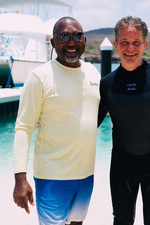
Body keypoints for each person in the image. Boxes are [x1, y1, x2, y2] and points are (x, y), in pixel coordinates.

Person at [12, 17, 101, 225]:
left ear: (85, 40)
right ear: (53, 42)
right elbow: (23, 128)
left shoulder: (92, 72)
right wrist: (20, 179)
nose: (71, 42)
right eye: (63, 36)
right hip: (52, 178)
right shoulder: (40, 77)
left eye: (77, 36)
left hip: (86, 176)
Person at [98, 16, 150, 225]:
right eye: (125, 42)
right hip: (121, 168)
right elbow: (89, 124)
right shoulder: (107, 84)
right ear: (116, 45)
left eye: (136, 42)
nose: (130, 48)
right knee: (121, 221)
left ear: (144, 44)